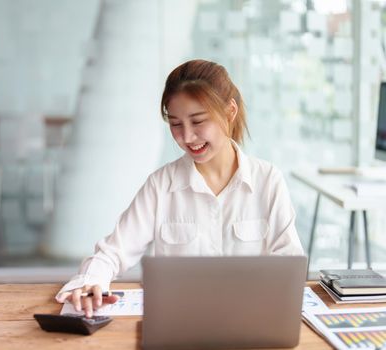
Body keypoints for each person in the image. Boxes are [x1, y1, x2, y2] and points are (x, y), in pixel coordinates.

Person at [55, 59, 304, 317]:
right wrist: (90, 282)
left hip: (252, 321)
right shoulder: (161, 186)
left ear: (230, 112)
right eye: (175, 124)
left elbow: (289, 264)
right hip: (178, 324)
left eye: (198, 121)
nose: (186, 137)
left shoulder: (267, 181)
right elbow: (112, 253)